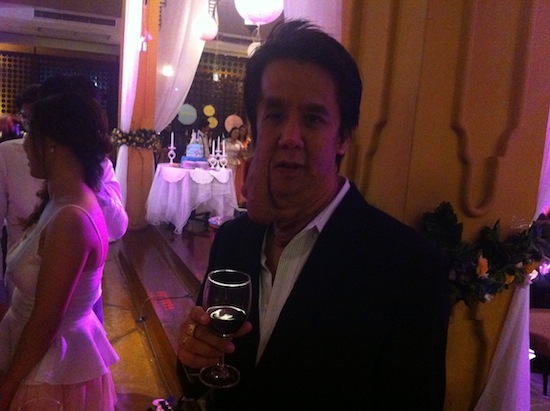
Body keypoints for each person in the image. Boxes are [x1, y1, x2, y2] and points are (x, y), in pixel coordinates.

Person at [176, 20, 450, 410]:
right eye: (274, 115)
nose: (290, 137)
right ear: (255, 128)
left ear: (343, 137)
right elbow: (202, 376)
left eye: (313, 118)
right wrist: (193, 359)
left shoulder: (409, 268)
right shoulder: (234, 240)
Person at [0, 91, 119, 410]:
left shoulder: (71, 218)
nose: (24, 145)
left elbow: (45, 322)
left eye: (30, 134)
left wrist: (6, 388)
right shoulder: (62, 198)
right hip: (37, 352)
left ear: (52, 144)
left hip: (49, 367)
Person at [0, 76, 128, 324]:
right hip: (22, 292)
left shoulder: (99, 165)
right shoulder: (9, 156)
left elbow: (117, 228)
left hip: (84, 300)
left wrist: (86, 175)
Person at [225, 127, 245, 206]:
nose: (236, 134)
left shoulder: (239, 144)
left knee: (233, 182)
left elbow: (241, 155)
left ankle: (232, 199)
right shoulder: (225, 142)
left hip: (235, 164)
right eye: (235, 132)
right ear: (231, 133)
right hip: (225, 163)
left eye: (237, 133)